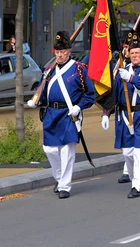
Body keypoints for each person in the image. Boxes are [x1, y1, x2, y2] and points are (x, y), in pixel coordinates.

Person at [27, 31, 95, 199]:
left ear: (69, 51)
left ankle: (65, 186)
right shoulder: (49, 70)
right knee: (49, 149)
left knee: (66, 151)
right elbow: (44, 91)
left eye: (63, 52)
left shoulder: (79, 69)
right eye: (57, 52)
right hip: (51, 113)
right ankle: (59, 178)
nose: (60, 55)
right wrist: (36, 101)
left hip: (68, 114)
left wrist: (79, 107)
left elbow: (90, 94)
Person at [108, 31, 140, 198]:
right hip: (125, 116)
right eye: (132, 53)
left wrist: (131, 78)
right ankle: (135, 177)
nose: (135, 56)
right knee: (127, 153)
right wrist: (105, 111)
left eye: (137, 53)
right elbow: (115, 93)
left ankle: (137, 186)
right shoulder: (123, 70)